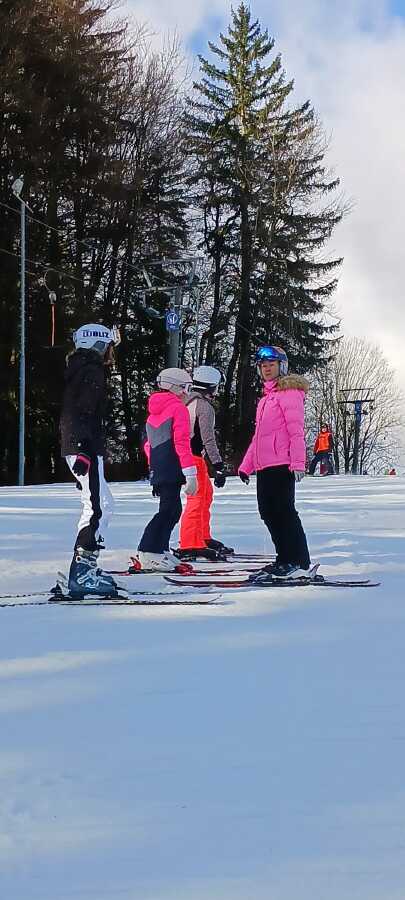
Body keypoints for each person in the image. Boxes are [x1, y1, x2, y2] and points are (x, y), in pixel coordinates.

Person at [238, 345, 311, 582]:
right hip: (264, 466)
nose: (267, 369)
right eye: (263, 366)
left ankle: (298, 562)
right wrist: (246, 465)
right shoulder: (265, 400)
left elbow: (295, 430)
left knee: (284, 512)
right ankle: (284, 558)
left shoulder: (289, 393)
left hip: (282, 463)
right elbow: (258, 437)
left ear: (282, 366)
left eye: (271, 365)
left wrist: (298, 462)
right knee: (268, 512)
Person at [60, 323, 120, 598]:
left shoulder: (79, 367)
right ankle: (82, 573)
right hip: (85, 446)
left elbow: (75, 412)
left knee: (101, 504)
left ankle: (85, 567)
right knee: (99, 506)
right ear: (99, 344)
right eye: (109, 346)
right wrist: (84, 450)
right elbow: (84, 411)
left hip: (80, 444)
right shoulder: (91, 370)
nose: (111, 353)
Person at [134, 368, 198, 572]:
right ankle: (148, 550)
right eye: (186, 388)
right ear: (175, 387)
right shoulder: (178, 409)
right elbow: (182, 442)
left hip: (160, 466)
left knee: (171, 509)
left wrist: (154, 470)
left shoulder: (154, 412)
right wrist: (191, 473)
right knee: (169, 511)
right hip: (173, 464)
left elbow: (148, 445)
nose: (187, 393)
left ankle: (159, 549)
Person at [176, 365, 231, 561]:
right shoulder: (204, 406)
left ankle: (202, 537)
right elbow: (208, 438)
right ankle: (190, 544)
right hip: (193, 458)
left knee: (205, 496)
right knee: (197, 499)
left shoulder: (186, 400)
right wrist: (218, 465)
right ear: (212, 386)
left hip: (189, 457)